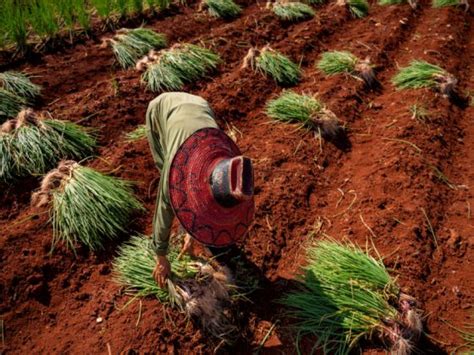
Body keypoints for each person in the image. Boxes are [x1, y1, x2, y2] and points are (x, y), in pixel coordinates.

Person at [145, 92, 255, 288]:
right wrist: (161, 256)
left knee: (178, 191)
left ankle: (186, 222)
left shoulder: (226, 159)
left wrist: (193, 230)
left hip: (201, 105)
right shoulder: (176, 170)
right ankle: (180, 207)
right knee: (167, 178)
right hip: (162, 108)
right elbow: (163, 209)